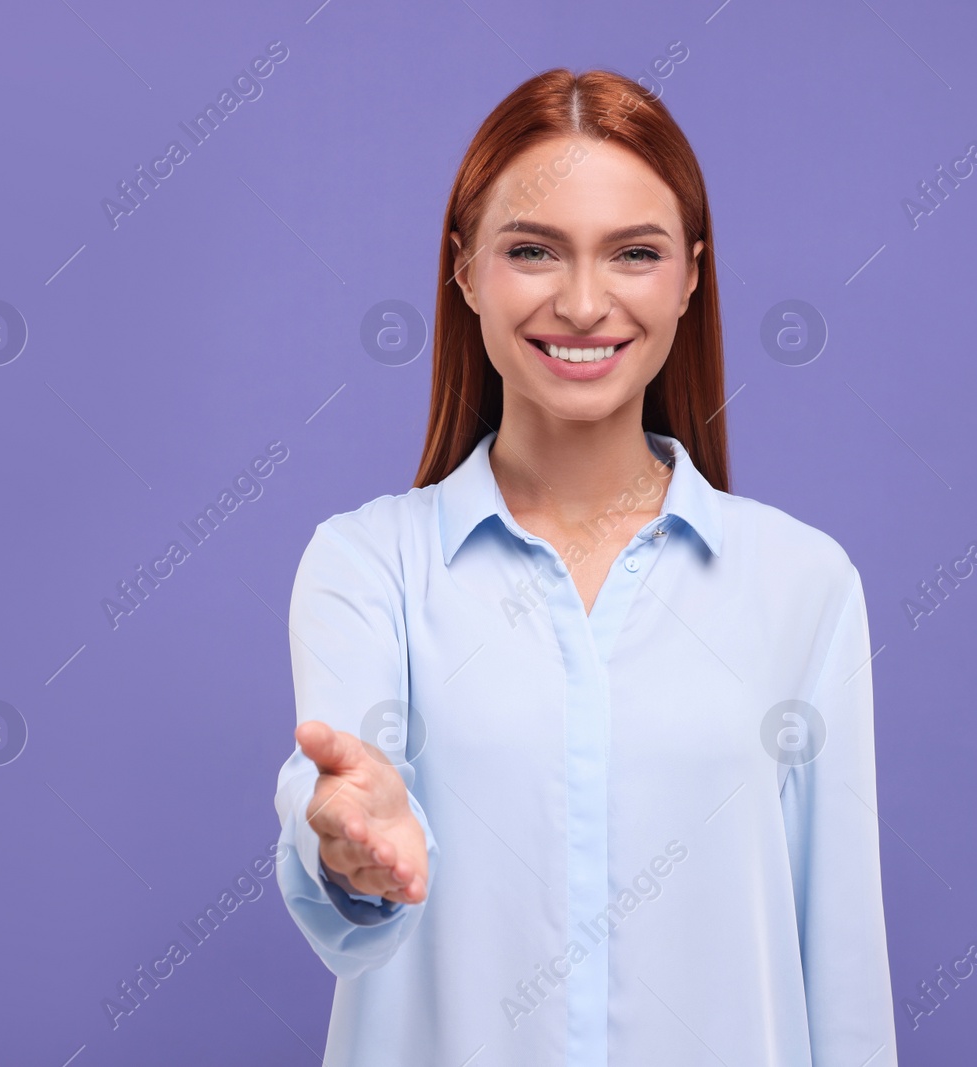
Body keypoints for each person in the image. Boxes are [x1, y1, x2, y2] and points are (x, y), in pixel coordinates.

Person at [273, 67, 896, 1067]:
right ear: (466, 271)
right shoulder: (368, 565)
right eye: (531, 250)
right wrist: (349, 844)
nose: (581, 301)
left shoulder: (802, 583)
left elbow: (843, 962)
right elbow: (338, 801)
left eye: (633, 254)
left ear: (691, 275)